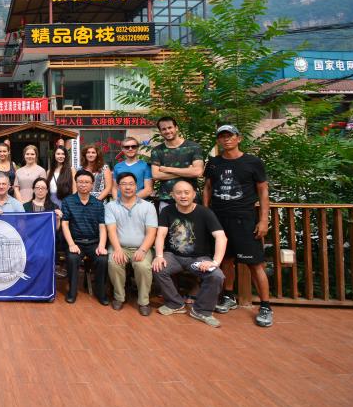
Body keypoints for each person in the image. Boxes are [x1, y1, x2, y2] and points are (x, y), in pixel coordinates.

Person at [203, 124, 273, 328]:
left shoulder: (253, 162)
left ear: (239, 138)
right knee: (226, 259)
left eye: (230, 136)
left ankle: (266, 306)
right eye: (222, 136)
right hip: (219, 219)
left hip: (245, 218)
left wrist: (263, 219)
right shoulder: (214, 163)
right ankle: (228, 296)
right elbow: (207, 187)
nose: (226, 139)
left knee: (255, 264)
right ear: (218, 140)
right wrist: (206, 213)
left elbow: (263, 190)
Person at [153, 180, 227, 328]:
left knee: (217, 275)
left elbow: (221, 237)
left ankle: (202, 310)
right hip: (173, 256)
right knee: (158, 267)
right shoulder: (167, 211)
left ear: (194, 194)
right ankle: (175, 303)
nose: (183, 196)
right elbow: (160, 235)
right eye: (179, 193)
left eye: (187, 192)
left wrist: (215, 262)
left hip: (198, 258)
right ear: (172, 195)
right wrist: (159, 256)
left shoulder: (205, 212)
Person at [104, 172, 158, 316]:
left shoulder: (148, 207)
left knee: (143, 266)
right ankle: (119, 297)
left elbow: (151, 233)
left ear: (136, 186)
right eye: (124, 184)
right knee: (114, 262)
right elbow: (111, 231)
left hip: (142, 247)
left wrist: (143, 250)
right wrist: (117, 249)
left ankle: (144, 301)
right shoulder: (110, 206)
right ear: (118, 187)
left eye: (131, 184)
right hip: (119, 246)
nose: (128, 187)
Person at [61, 170, 108, 305]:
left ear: (92, 185)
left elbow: (102, 227)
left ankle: (101, 292)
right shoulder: (68, 201)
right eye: (80, 182)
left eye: (87, 182)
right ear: (76, 183)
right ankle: (72, 292)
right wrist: (71, 244)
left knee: (103, 259)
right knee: (72, 258)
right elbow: (64, 224)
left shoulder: (98, 204)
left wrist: (101, 246)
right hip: (75, 242)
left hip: (94, 242)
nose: (83, 184)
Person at [150, 116, 205, 211]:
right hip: (166, 200)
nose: (167, 131)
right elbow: (156, 175)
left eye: (170, 127)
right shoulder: (157, 151)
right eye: (164, 129)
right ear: (160, 132)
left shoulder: (194, 147)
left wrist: (167, 169)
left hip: (191, 200)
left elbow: (198, 172)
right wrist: (188, 171)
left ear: (176, 128)